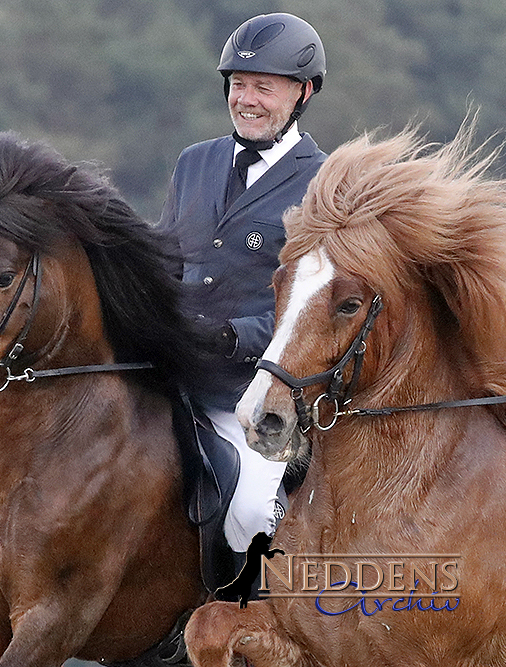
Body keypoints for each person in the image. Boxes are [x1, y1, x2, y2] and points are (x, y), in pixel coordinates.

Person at [157, 13, 327, 584]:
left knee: (250, 514)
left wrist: (236, 334)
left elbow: (318, 305)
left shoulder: (324, 185)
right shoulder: (194, 162)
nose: (246, 100)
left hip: (251, 392)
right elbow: (166, 264)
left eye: (263, 87)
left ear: (302, 93)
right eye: (238, 84)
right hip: (171, 374)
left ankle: (245, 622)